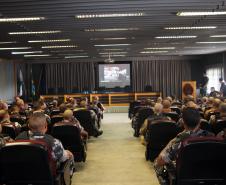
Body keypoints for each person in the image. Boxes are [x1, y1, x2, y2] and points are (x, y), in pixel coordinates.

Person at [154, 107, 214, 184]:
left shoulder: (179, 141)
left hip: (186, 179)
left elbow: (160, 161)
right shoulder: (212, 137)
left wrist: (171, 142)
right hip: (210, 178)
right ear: (199, 122)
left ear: (183, 123)